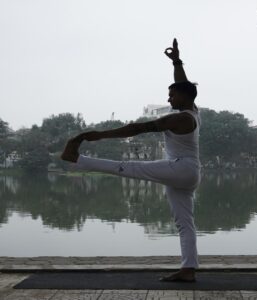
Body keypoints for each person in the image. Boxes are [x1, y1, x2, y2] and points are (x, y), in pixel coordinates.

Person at [61, 38, 201, 282]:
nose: (168, 99)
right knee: (184, 223)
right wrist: (177, 61)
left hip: (181, 169)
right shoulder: (193, 111)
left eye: (171, 95)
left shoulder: (177, 119)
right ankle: (188, 269)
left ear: (182, 97)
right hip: (186, 173)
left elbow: (136, 128)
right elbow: (184, 84)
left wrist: (94, 136)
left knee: (128, 168)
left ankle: (77, 159)